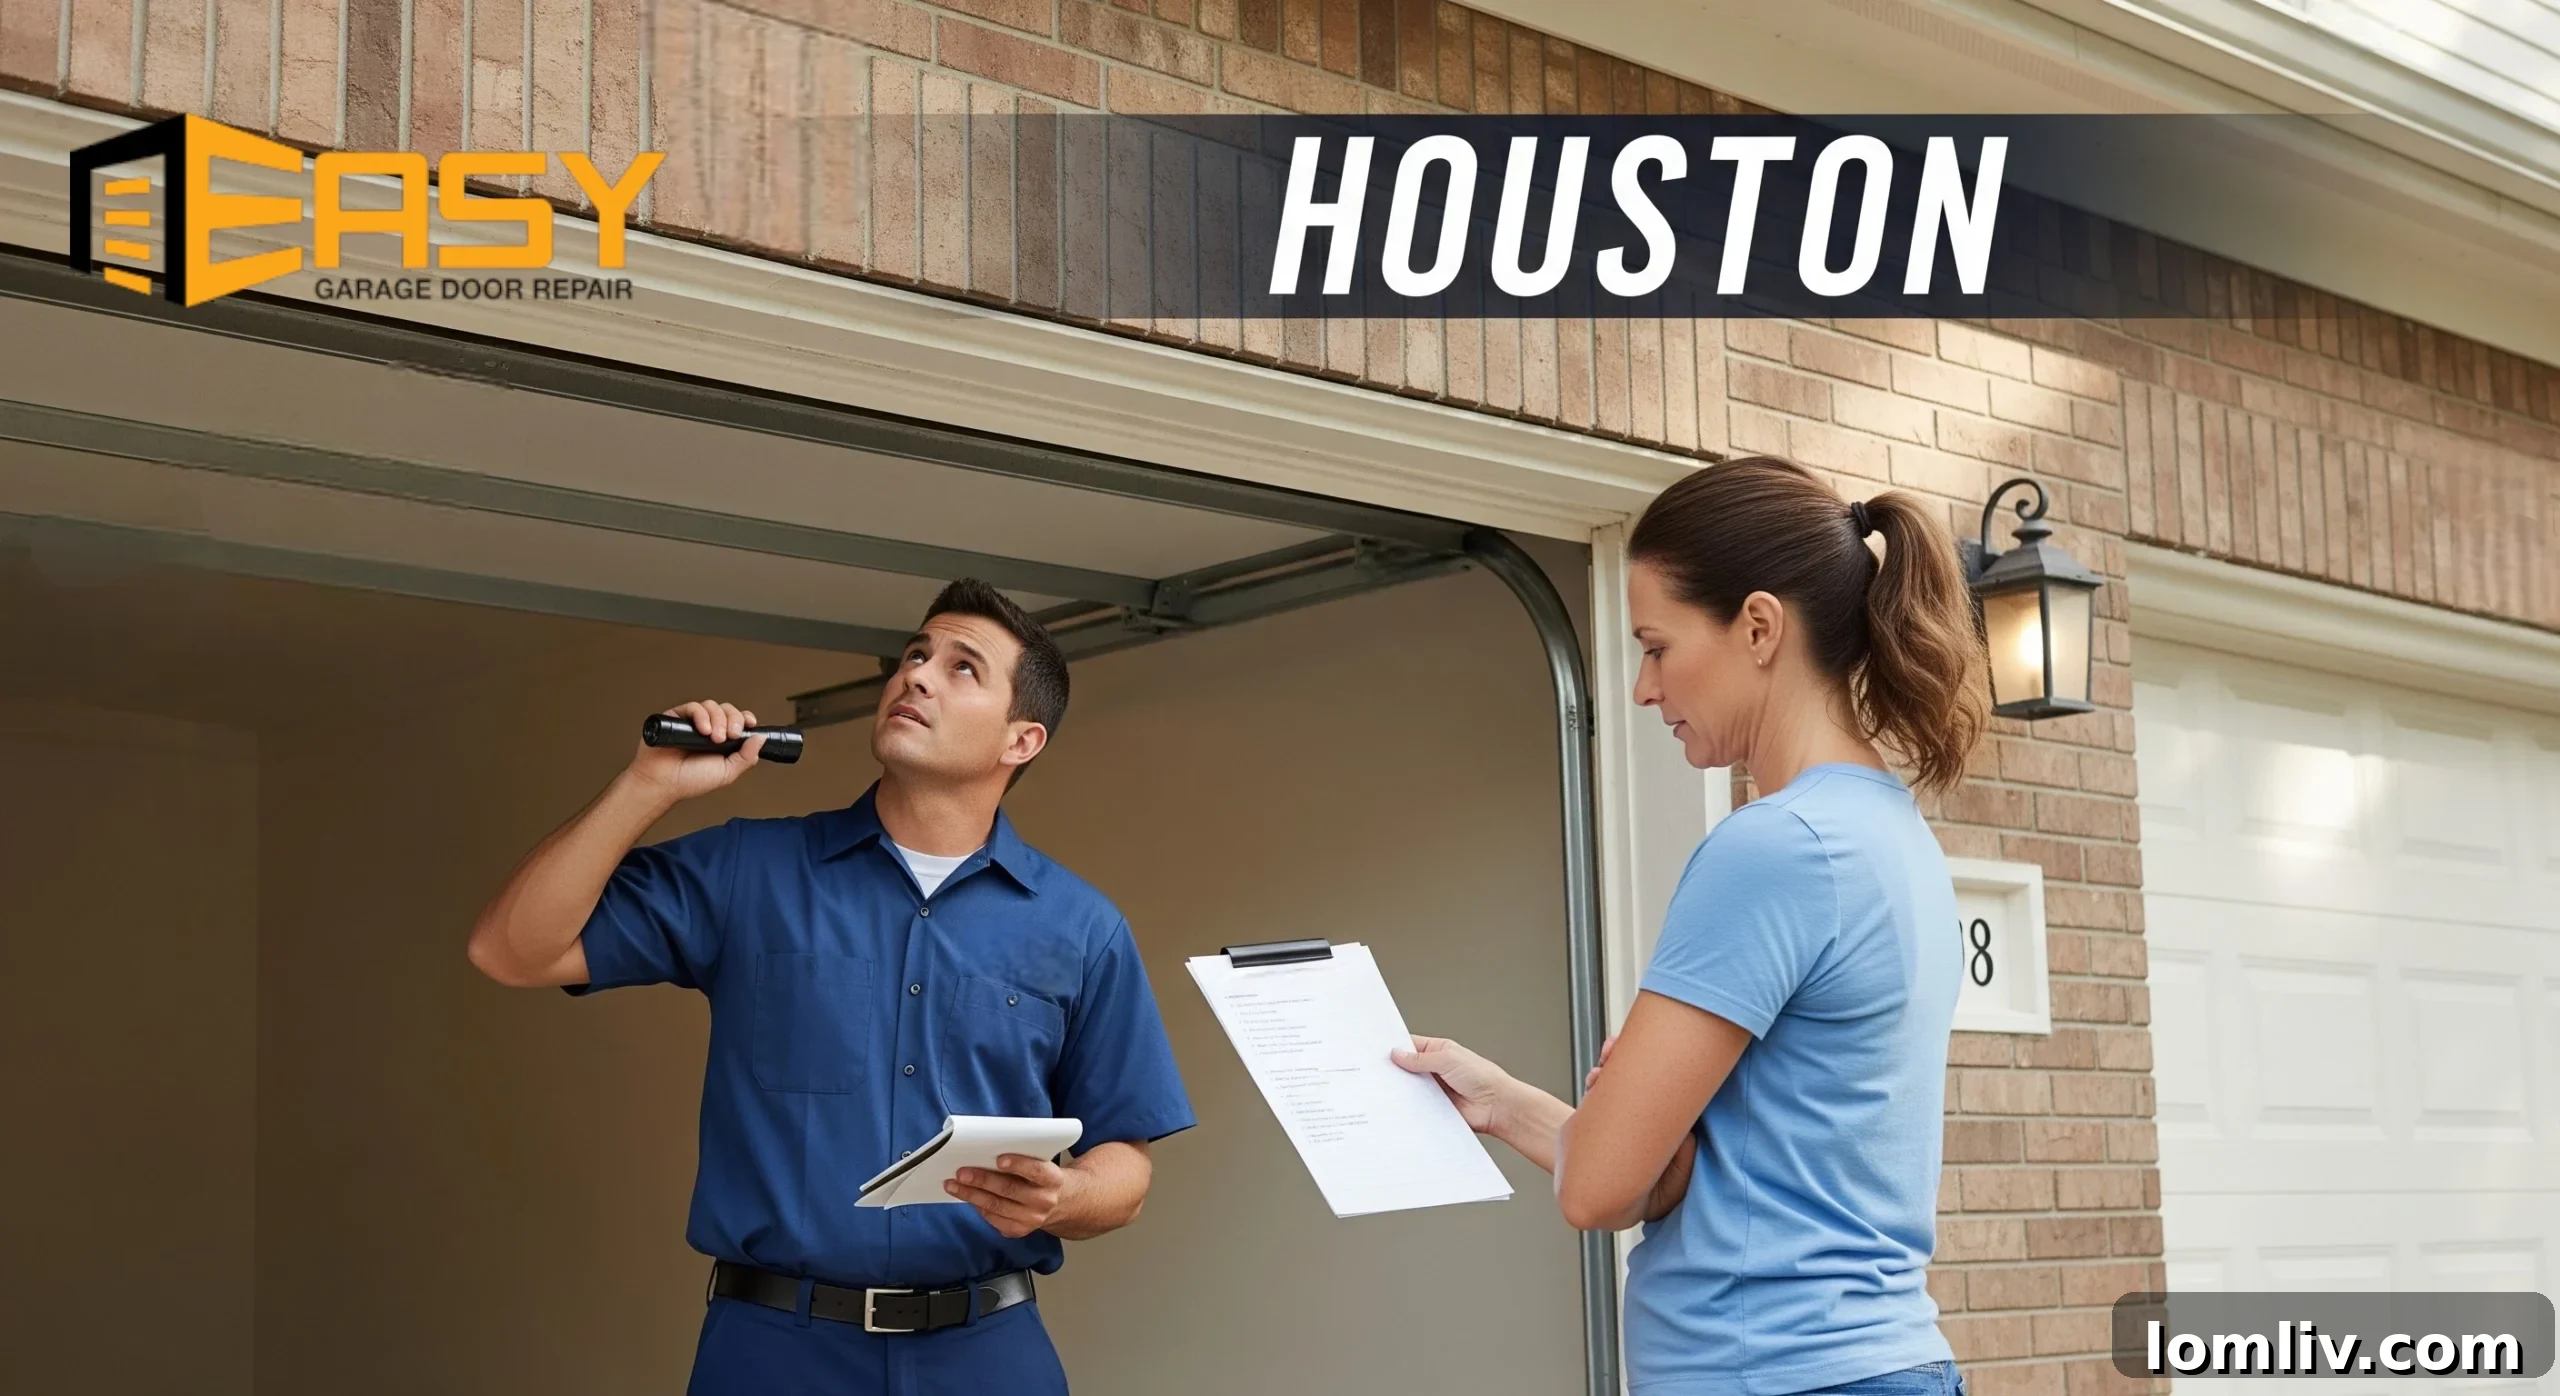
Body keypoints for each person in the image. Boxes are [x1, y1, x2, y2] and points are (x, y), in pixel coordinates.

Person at [465, 578, 1194, 1396]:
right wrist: (648, 786)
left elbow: (1126, 1168)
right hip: (774, 1350)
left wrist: (1063, 1196)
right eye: (916, 654)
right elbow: (511, 951)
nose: (916, 675)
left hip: (987, 1355)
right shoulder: (748, 870)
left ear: (1020, 741)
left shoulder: (1082, 926)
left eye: (962, 668)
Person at [1396, 456, 1989, 1396]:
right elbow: (1690, 1171)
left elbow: (1601, 1189)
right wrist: (1505, 1099)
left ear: (1759, 627)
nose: (1641, 686)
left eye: (1657, 646)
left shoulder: (1775, 848)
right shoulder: (1887, 831)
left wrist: (1622, 1128)